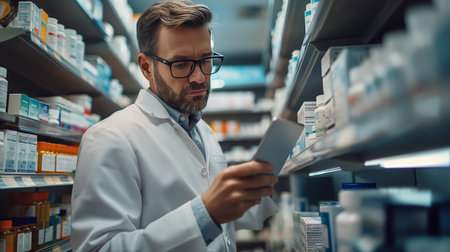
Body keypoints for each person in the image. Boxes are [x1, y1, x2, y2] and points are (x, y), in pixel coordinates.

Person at [71, 0, 278, 251]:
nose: (199, 77)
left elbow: (223, 221)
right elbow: (98, 248)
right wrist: (204, 215)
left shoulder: (203, 132)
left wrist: (255, 189)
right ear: (147, 67)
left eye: (206, 60)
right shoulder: (110, 137)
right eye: (181, 64)